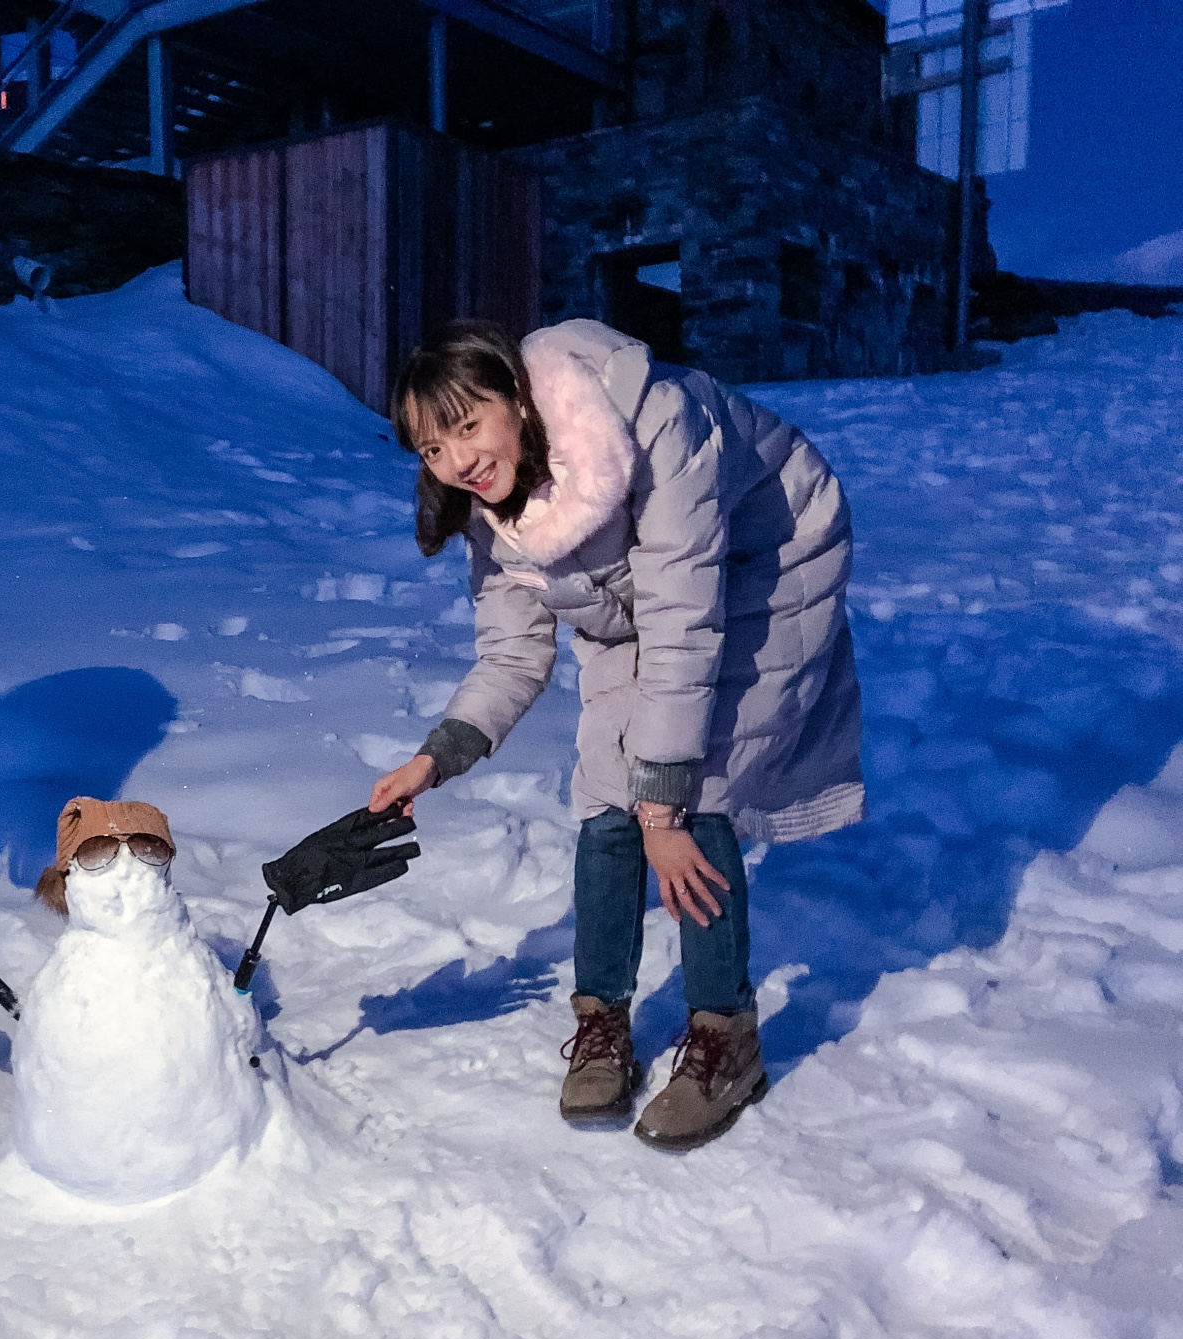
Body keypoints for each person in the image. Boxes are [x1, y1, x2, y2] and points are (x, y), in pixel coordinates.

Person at [369, 318, 863, 1150]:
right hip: (639, 601)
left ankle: (724, 1035)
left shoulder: (657, 420)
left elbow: (684, 618)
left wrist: (663, 813)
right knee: (607, 798)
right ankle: (601, 1018)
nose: (456, 461)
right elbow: (513, 655)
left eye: (466, 426)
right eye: (430, 449)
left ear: (517, 401)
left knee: (691, 786)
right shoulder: (497, 518)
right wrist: (435, 757)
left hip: (765, 561)